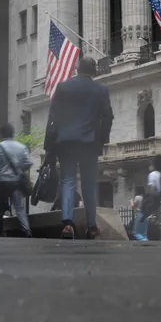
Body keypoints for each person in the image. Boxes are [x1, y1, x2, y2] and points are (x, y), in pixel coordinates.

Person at [44, 56, 113, 240]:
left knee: (67, 180)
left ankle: (67, 223)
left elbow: (53, 118)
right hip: (89, 143)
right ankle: (91, 226)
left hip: (65, 142)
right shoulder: (101, 90)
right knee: (89, 184)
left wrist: (49, 145)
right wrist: (101, 141)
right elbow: (108, 117)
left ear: (77, 69)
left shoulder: (63, 87)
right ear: (94, 71)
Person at [0, 124, 33, 237]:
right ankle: (26, 230)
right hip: (16, 182)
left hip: (3, 183)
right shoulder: (21, 147)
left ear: (2, 134)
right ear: (13, 133)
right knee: (19, 208)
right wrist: (20, 169)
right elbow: (29, 162)